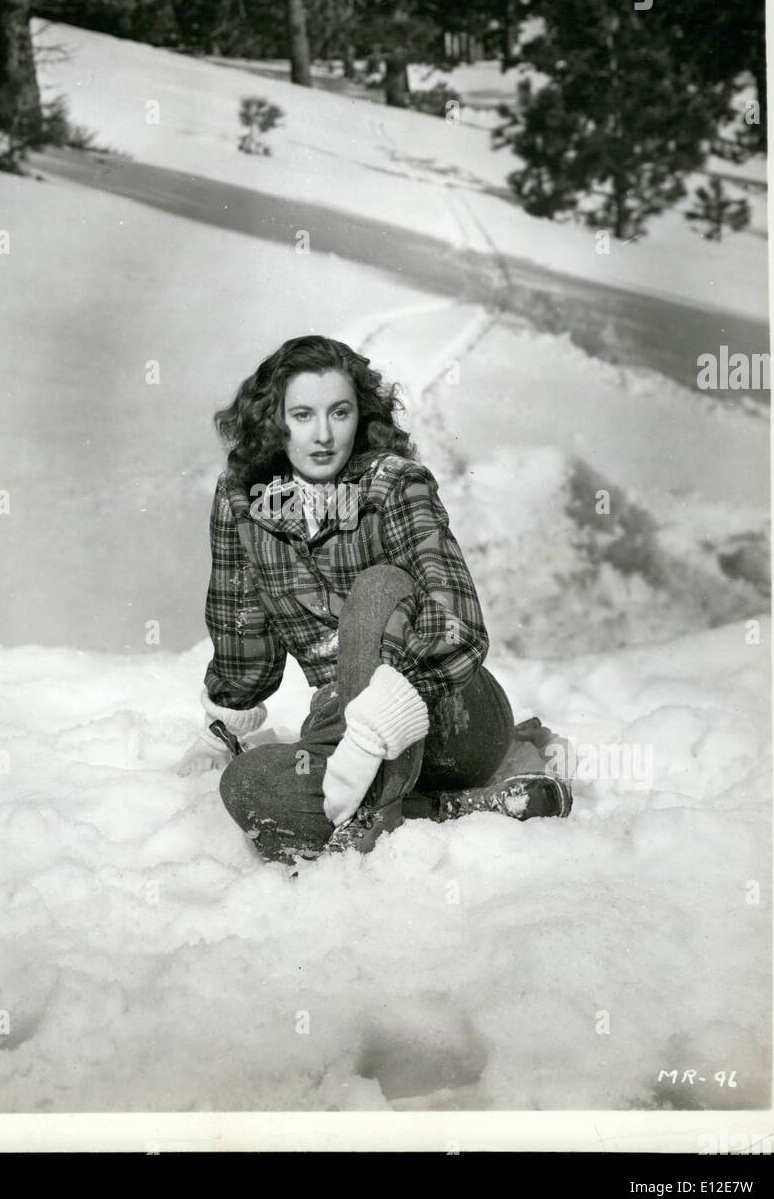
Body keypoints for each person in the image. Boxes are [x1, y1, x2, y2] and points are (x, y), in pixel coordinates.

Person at [177, 335, 571, 863]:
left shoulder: (393, 485)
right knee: (248, 785)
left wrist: (374, 725)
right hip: (341, 733)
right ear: (274, 420)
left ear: (361, 417)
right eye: (302, 415)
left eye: (339, 412)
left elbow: (457, 618)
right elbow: (242, 629)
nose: (322, 434)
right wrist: (222, 727)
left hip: (452, 718)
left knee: (378, 586)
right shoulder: (242, 503)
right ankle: (459, 809)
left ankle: (387, 809)